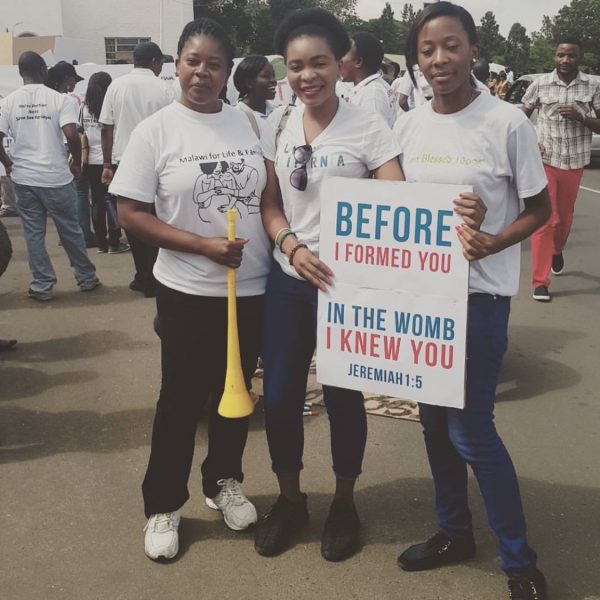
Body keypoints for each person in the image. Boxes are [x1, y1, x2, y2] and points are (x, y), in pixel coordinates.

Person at [392, 4, 550, 599]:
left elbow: (540, 210)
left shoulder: (506, 122)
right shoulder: (407, 125)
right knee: (433, 423)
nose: (439, 60)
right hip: (423, 298)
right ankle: (453, 531)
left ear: (473, 51)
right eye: (427, 50)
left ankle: (520, 564)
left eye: (450, 47)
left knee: (472, 431)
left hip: (478, 299)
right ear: (416, 61)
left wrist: (491, 241)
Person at [109, 18, 271, 562]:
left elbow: (270, 196)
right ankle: (164, 504)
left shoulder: (248, 121)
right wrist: (199, 246)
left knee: (236, 394)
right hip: (186, 290)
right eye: (192, 61)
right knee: (179, 401)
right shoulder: (155, 130)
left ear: (228, 72)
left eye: (214, 64)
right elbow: (129, 211)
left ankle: (223, 481)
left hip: (250, 289)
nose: (201, 73)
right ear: (176, 65)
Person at [254, 7, 404, 563]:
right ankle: (290, 500)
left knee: (343, 397)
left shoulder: (368, 125)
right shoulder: (279, 122)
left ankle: (344, 500)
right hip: (290, 281)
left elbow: (397, 201)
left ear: (341, 63)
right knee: (281, 395)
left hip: (347, 289)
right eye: (295, 65)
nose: (307, 75)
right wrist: (291, 245)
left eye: (319, 62)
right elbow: (271, 201)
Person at [0, 52, 99, 301]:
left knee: (33, 233)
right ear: (44, 70)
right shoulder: (59, 99)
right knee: (70, 230)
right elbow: (71, 134)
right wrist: (76, 162)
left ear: (21, 73)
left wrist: (8, 163)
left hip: (24, 178)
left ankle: (42, 285)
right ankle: (85, 278)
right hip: (55, 176)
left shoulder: (8, 102)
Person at [522, 38, 600, 302]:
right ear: (554, 57)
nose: (565, 60)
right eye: (560, 55)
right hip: (545, 159)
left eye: (571, 56)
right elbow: (523, 112)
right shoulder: (541, 84)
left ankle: (557, 249)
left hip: (574, 161)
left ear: (580, 58)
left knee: (564, 221)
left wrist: (582, 117)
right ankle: (540, 282)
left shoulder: (594, 85)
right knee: (546, 219)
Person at [100, 41, 174, 297]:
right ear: (154, 62)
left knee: (133, 222)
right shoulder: (164, 88)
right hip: (159, 162)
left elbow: (106, 128)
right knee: (157, 219)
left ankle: (143, 275)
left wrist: (107, 164)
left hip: (126, 163)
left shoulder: (116, 86)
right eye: (160, 62)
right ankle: (157, 275)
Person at [46, 61, 96, 248]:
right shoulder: (65, 101)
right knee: (80, 193)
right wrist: (76, 159)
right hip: (69, 150)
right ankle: (83, 234)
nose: (75, 84)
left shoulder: (47, 98)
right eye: (74, 80)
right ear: (66, 80)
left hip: (53, 154)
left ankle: (68, 234)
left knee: (62, 199)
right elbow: (73, 132)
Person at [81, 72, 129, 254]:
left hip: (90, 160)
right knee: (114, 202)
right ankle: (114, 241)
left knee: (97, 202)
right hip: (110, 159)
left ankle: (101, 243)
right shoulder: (110, 107)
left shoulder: (83, 108)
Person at [339, 32, 395, 127]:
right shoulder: (370, 89)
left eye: (343, 54)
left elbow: (375, 138)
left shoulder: (371, 96)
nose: (338, 61)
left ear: (358, 62)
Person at [233, 54, 277, 134]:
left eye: (273, 76)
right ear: (249, 83)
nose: (274, 81)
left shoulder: (279, 111)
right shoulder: (236, 117)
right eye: (266, 76)